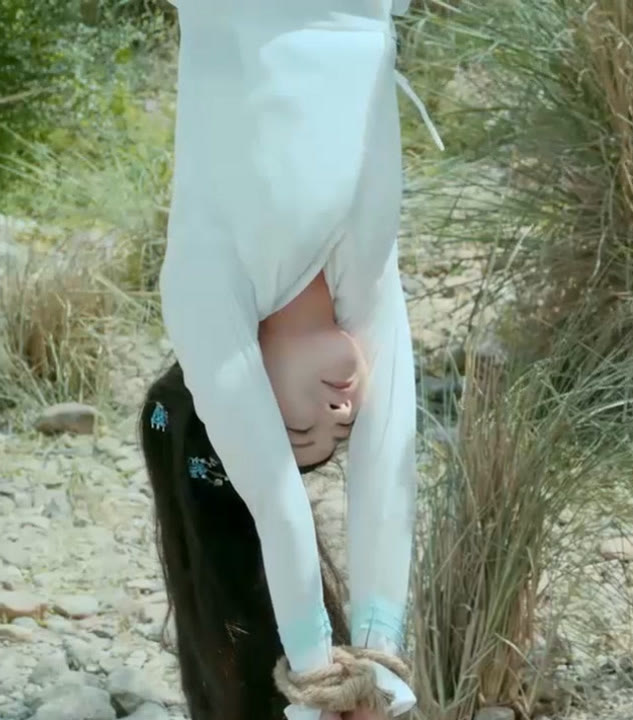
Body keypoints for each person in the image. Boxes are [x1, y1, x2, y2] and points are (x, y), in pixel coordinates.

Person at [138, 0, 438, 717]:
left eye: (301, 429)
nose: (340, 410)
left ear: (243, 380)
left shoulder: (205, 290)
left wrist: (315, 669)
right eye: (342, 427)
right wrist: (374, 658)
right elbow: (388, 465)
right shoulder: (363, 281)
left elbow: (278, 504)